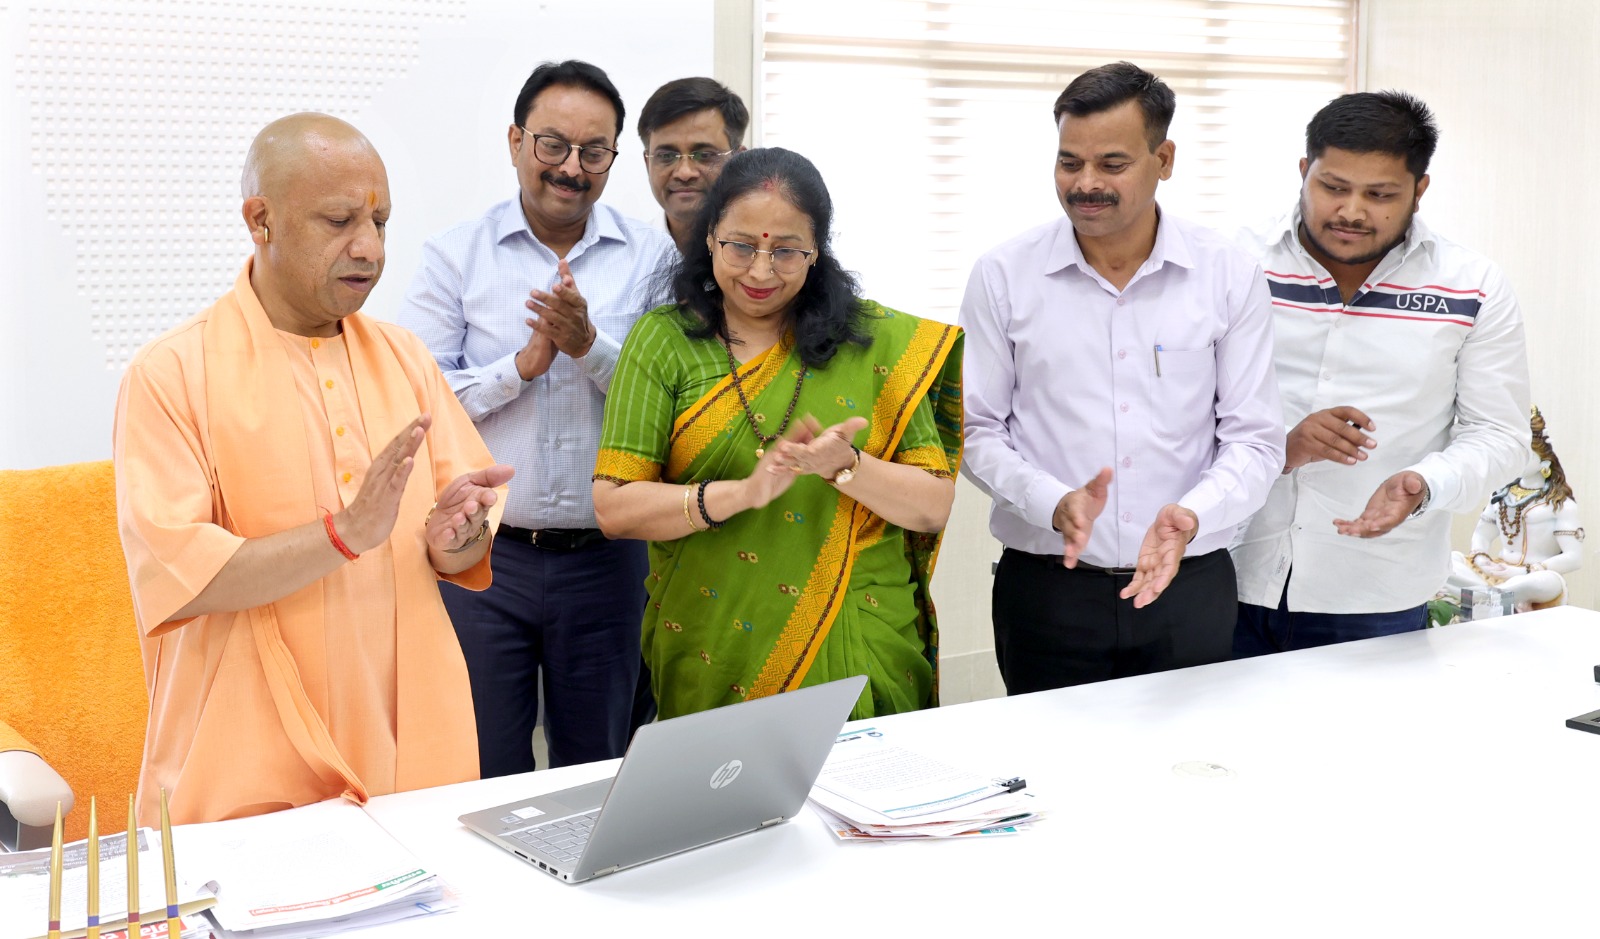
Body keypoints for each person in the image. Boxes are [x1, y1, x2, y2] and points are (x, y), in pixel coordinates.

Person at [114, 113, 512, 826]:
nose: (369, 248)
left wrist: (460, 537)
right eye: (338, 220)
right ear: (260, 220)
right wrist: (344, 533)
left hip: (410, 745)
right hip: (247, 759)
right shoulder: (171, 373)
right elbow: (182, 573)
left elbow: (458, 547)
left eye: (380, 222)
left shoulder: (405, 359)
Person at [590, 147, 963, 720]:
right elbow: (614, 508)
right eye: (741, 246)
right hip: (712, 647)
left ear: (816, 254)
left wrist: (847, 465)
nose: (761, 272)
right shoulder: (664, 341)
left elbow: (933, 507)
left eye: (786, 251)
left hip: (857, 640)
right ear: (709, 238)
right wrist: (740, 495)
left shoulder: (873, 343)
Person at [959, 61, 1284, 695]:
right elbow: (976, 430)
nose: (1085, 183)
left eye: (1112, 164)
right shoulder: (1003, 275)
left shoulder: (1227, 274)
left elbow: (1255, 439)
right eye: (1069, 162)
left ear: (1164, 159)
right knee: (1049, 752)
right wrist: (1050, 501)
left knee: (1191, 751)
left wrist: (1192, 515)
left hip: (1189, 585)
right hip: (1048, 590)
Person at [396, 61, 675, 777]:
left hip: (609, 558)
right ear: (517, 141)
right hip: (485, 556)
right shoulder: (456, 255)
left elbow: (674, 404)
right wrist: (518, 368)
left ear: (614, 157)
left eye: (594, 151)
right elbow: (417, 403)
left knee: (600, 766)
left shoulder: (652, 259)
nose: (571, 168)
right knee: (481, 764)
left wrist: (590, 349)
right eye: (553, 144)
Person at [1231, 91, 1531, 655]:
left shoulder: (1472, 286)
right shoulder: (1233, 263)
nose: (1351, 212)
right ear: (1304, 171)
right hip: (1225, 574)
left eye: (1380, 195)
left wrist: (1426, 484)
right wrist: (1280, 449)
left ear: (1419, 189)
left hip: (1373, 593)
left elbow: (1500, 435)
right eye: (1333, 187)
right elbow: (1175, 407)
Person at [1447, 407, 1582, 611]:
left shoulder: (1560, 504)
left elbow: (1574, 558)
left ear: (1544, 463)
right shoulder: (1501, 496)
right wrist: (1481, 558)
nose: (1516, 461)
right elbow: (1482, 534)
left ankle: (1486, 595)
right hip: (1496, 570)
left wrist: (1521, 572)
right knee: (1451, 560)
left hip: (1533, 576)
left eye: (1525, 455)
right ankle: (1488, 595)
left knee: (1544, 581)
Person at [637, 76, 749, 250]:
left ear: (738, 160)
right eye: (667, 156)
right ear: (647, 164)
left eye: (704, 155)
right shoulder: (629, 258)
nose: (684, 173)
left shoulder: (769, 255)